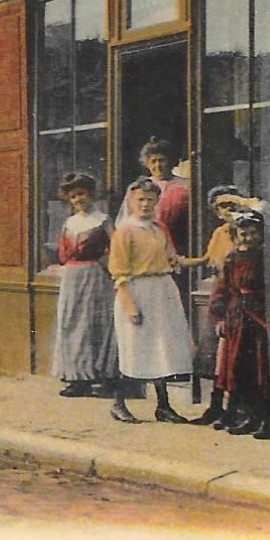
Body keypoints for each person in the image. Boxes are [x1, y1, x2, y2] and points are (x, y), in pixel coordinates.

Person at [108, 178, 193, 424]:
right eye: (140, 200)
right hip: (138, 291)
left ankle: (163, 406)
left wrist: (210, 257)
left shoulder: (159, 228)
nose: (145, 204)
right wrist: (129, 305)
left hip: (163, 291)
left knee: (162, 350)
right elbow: (118, 272)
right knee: (136, 350)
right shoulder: (125, 230)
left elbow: (173, 258)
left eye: (150, 200)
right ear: (130, 202)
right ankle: (118, 403)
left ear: (157, 202)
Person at [180, 185, 252, 425]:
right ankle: (215, 405)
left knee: (236, 354)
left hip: (240, 295)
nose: (227, 210)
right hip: (219, 292)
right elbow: (208, 258)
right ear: (216, 211)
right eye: (222, 206)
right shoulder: (220, 233)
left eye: (232, 205)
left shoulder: (247, 231)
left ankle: (237, 408)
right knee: (215, 355)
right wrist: (183, 261)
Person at [48, 173, 119, 398]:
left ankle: (99, 376)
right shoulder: (69, 222)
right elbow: (61, 253)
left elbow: (118, 249)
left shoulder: (103, 220)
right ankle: (77, 377)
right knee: (71, 323)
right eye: (73, 196)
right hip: (71, 277)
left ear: (91, 194)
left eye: (82, 194)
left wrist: (107, 267)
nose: (78, 199)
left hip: (95, 276)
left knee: (94, 323)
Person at [209, 207, 270, 439]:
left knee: (262, 370)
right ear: (235, 236)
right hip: (237, 318)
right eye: (243, 234)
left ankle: (269, 420)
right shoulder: (231, 260)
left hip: (260, 319)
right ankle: (249, 415)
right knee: (239, 367)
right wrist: (220, 317)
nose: (247, 238)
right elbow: (222, 290)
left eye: (252, 233)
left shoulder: (267, 258)